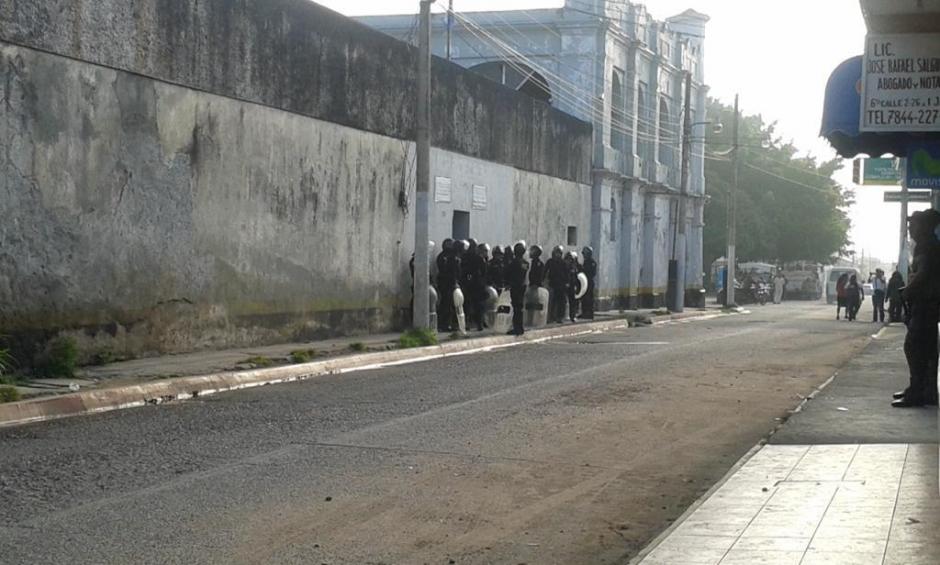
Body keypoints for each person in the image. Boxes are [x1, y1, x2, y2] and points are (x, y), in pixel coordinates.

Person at [894, 210, 940, 407]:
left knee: (914, 346)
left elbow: (922, 274)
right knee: (928, 348)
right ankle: (925, 390)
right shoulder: (930, 246)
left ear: (925, 227)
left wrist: (907, 291)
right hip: (929, 303)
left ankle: (917, 391)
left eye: (914, 225)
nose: (911, 229)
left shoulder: (926, 247)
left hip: (925, 304)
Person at [436, 239, 461, 332]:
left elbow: (457, 271)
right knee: (445, 304)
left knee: (452, 304)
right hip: (445, 283)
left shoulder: (454, 257)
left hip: (453, 283)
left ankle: (451, 323)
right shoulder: (443, 256)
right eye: (449, 244)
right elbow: (444, 269)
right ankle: (444, 324)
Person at [505, 242, 530, 336]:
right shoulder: (525, 263)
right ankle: (520, 327)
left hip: (515, 286)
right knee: (520, 307)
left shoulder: (514, 262)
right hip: (522, 286)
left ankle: (517, 328)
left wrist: (508, 283)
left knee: (516, 307)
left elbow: (508, 273)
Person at [545, 245, 568, 323]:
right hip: (552, 284)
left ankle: (560, 317)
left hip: (561, 285)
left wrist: (567, 282)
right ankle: (551, 317)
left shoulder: (563, 263)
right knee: (552, 301)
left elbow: (567, 273)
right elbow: (544, 271)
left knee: (561, 302)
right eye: (556, 253)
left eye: (559, 253)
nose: (557, 255)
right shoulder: (550, 262)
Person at [580, 246, 597, 319]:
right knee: (584, 298)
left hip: (589, 282)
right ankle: (584, 312)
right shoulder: (585, 262)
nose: (584, 255)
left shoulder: (592, 262)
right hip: (584, 282)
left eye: (585, 253)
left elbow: (592, 273)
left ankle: (590, 313)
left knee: (589, 298)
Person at [564, 251, 581, 322]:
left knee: (573, 301)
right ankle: (561, 316)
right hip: (564, 285)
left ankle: (572, 316)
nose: (568, 261)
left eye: (570, 259)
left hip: (572, 286)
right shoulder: (563, 266)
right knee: (562, 301)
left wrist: (576, 286)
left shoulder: (575, 268)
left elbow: (577, 278)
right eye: (567, 259)